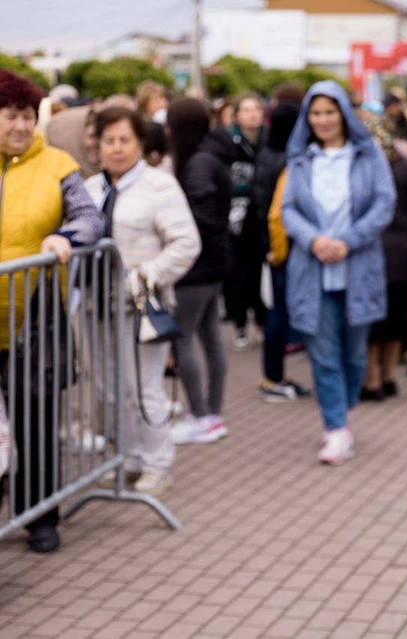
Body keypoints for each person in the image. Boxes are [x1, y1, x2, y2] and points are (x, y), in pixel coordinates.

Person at [0, 70, 107, 552]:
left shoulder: (58, 163)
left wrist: (64, 238)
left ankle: (41, 516)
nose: (20, 125)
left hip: (34, 318)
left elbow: (90, 216)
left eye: (26, 115)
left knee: (35, 420)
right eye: (9, 115)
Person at [84, 107, 201, 495]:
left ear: (140, 143)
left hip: (142, 307)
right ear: (97, 145)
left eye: (125, 140)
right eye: (109, 141)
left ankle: (156, 463)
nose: (117, 149)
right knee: (109, 386)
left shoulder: (160, 186)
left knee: (144, 386)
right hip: (95, 305)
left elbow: (186, 243)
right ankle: (128, 457)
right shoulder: (90, 189)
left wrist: (144, 277)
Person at [282, 81, 396, 465]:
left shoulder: (367, 155)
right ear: (307, 118)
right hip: (312, 270)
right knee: (323, 353)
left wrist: (348, 240)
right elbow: (288, 210)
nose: (323, 120)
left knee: (354, 354)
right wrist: (314, 240)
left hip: (356, 266)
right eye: (316, 113)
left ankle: (341, 412)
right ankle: (335, 427)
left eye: (330, 112)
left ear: (343, 114)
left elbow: (384, 203)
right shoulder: (300, 160)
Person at [166, 98, 232, 446]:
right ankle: (210, 414)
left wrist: (175, 233)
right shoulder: (210, 155)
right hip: (213, 263)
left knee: (184, 339)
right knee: (209, 338)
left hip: (196, 267)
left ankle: (202, 414)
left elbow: (201, 216)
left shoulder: (199, 163)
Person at [360, 117, 407, 401]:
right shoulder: (405, 168)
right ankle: (389, 376)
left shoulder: (361, 169)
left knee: (373, 321)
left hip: (372, 253)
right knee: (398, 320)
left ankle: (372, 379)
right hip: (405, 254)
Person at [252, 102, 310, 402]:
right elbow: (277, 215)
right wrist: (280, 251)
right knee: (282, 313)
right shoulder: (289, 160)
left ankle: (273, 375)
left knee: (280, 311)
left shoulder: (265, 151)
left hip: (272, 245)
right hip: (284, 249)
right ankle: (272, 377)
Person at [225, 92, 268, 351]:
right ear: (237, 115)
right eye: (247, 110)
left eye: (256, 109)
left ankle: (262, 322)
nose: (253, 114)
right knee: (237, 274)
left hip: (261, 217)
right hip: (235, 219)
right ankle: (240, 324)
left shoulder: (269, 140)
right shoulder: (228, 141)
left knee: (259, 272)